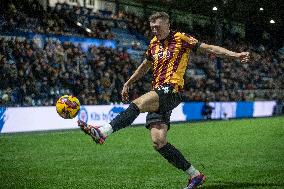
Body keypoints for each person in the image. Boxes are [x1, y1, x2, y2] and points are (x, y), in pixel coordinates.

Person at [77, 12, 250, 189]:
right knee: (159, 142)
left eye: (158, 27)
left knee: (138, 103)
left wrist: (235, 55)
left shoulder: (181, 38)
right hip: (159, 93)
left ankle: (103, 132)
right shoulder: (153, 44)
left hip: (172, 89)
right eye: (152, 28)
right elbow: (145, 65)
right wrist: (129, 82)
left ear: (167, 25)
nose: (154, 31)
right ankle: (195, 175)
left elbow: (210, 48)